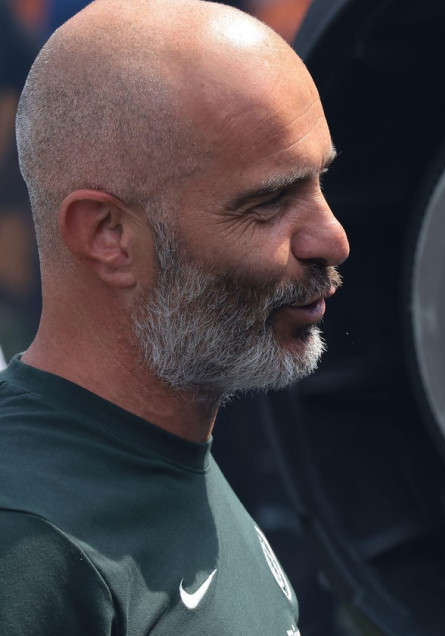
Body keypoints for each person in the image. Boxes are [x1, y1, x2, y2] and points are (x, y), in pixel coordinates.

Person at [0, 0, 349, 632]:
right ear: (108, 235)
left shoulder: (173, 448)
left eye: (321, 181)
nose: (332, 238)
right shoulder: (28, 542)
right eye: (269, 203)